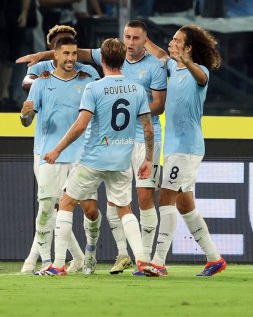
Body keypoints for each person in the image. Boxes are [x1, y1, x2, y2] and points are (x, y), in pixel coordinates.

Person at [16, 19, 167, 275]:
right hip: (122, 158)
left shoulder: (93, 86)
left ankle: (58, 265)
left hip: (93, 158)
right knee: (125, 209)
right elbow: (149, 127)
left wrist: (57, 150)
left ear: (102, 60)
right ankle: (143, 259)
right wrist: (147, 159)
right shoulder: (137, 91)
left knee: (64, 204)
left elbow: (78, 127)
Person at [144, 24, 227, 277]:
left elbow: (202, 78)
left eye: (176, 40)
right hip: (173, 148)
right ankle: (214, 259)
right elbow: (160, 54)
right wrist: (141, 38)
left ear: (188, 48)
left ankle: (158, 262)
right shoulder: (172, 66)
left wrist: (185, 61)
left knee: (165, 198)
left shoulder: (199, 71)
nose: (171, 43)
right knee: (184, 205)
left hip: (187, 149)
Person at [20, 25, 100, 275]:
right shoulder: (40, 80)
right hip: (48, 154)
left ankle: (85, 256)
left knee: (85, 209)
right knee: (48, 208)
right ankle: (48, 262)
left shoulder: (87, 76)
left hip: (81, 155)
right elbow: (26, 118)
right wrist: (25, 114)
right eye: (65, 53)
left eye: (74, 53)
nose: (71, 58)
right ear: (54, 53)